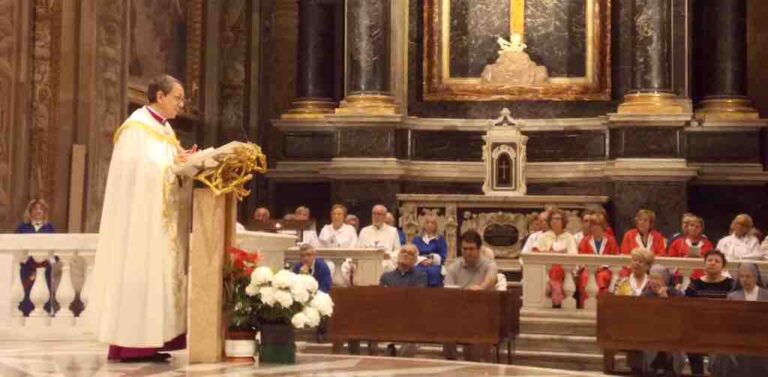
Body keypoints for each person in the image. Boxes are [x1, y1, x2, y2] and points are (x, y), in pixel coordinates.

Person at [91, 75, 192, 362]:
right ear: (160, 96)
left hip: (161, 223)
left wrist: (184, 160)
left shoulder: (165, 129)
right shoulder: (136, 128)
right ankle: (134, 343)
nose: (181, 105)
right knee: (140, 272)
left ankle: (153, 340)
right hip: (141, 221)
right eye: (177, 98)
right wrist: (173, 167)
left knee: (159, 276)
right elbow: (138, 174)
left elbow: (165, 164)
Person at [709, 263, 768, 377]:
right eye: (741, 276)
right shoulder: (733, 296)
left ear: (756, 277)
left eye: (748, 276)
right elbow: (727, 320)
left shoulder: (766, 295)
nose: (744, 280)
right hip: (737, 336)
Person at [684, 249, 735, 376]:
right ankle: (698, 373)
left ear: (723, 266)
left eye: (717, 261)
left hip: (724, 327)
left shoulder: (731, 284)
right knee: (690, 338)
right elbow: (687, 308)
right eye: (709, 260)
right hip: (699, 327)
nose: (712, 263)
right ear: (704, 263)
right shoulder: (695, 284)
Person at [15, 199, 57, 316]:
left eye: (41, 209)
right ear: (30, 211)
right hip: (26, 267)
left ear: (44, 212)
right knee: (26, 294)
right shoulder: (22, 227)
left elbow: (55, 249)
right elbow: (16, 247)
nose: (38, 211)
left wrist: (48, 261)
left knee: (43, 294)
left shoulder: (50, 228)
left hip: (44, 268)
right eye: (35, 209)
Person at [533, 209, 578, 308]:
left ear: (563, 221)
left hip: (564, 273)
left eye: (558, 219)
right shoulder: (543, 237)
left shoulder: (569, 237)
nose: (554, 221)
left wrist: (552, 253)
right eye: (552, 219)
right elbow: (536, 253)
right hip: (545, 271)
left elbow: (573, 257)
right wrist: (556, 253)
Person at [576, 218, 619, 307]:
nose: (595, 228)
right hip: (589, 268)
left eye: (598, 226)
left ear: (603, 227)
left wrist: (603, 266)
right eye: (593, 226)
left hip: (606, 270)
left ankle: (601, 306)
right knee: (585, 276)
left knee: (602, 276)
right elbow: (581, 258)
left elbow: (615, 258)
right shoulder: (585, 241)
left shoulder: (611, 240)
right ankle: (586, 305)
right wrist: (592, 266)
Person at [357, 205, 402, 271]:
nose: (376, 217)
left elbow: (398, 251)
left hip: (385, 262)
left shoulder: (393, 231)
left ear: (384, 216)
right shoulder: (364, 231)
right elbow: (358, 249)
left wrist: (388, 255)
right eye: (374, 214)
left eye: (379, 214)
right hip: (367, 261)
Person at [668, 216, 713, 281]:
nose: (694, 228)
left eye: (697, 227)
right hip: (682, 275)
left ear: (701, 229)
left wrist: (701, 259)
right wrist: (684, 260)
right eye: (692, 225)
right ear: (687, 227)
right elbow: (670, 262)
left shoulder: (707, 244)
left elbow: (712, 260)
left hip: (703, 275)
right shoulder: (677, 243)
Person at [412, 214, 448, 287]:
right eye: (427, 222)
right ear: (423, 224)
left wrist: (432, 261)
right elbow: (413, 253)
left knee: (434, 272)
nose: (430, 225)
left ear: (436, 225)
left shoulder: (440, 239)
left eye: (432, 223)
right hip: (419, 263)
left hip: (434, 264)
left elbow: (443, 254)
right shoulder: (417, 238)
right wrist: (421, 260)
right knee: (416, 272)